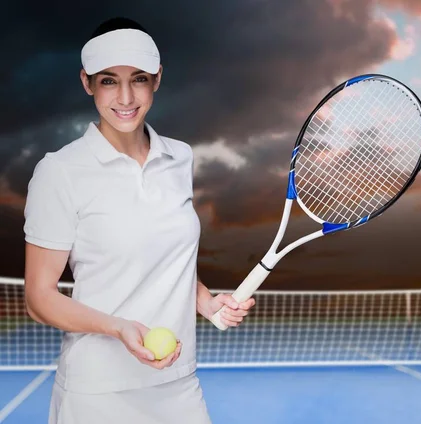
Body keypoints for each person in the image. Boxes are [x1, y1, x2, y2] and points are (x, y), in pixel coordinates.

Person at [22, 17, 255, 424]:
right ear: (87, 82)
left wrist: (205, 301)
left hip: (179, 384)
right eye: (109, 80)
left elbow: (164, 252)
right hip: (97, 391)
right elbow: (39, 299)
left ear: (158, 79)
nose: (126, 96)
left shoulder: (180, 157)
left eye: (140, 79)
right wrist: (118, 328)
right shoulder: (60, 171)